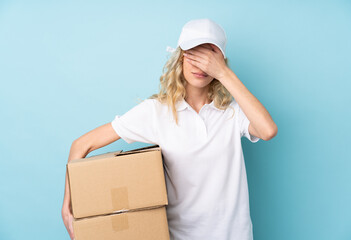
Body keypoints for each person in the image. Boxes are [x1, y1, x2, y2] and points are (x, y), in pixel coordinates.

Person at [62, 18, 277, 240]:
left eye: (210, 57)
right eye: (194, 54)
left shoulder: (233, 112)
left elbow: (268, 130)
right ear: (180, 58)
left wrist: (223, 73)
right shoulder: (156, 112)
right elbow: (81, 145)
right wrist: (67, 207)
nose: (201, 65)